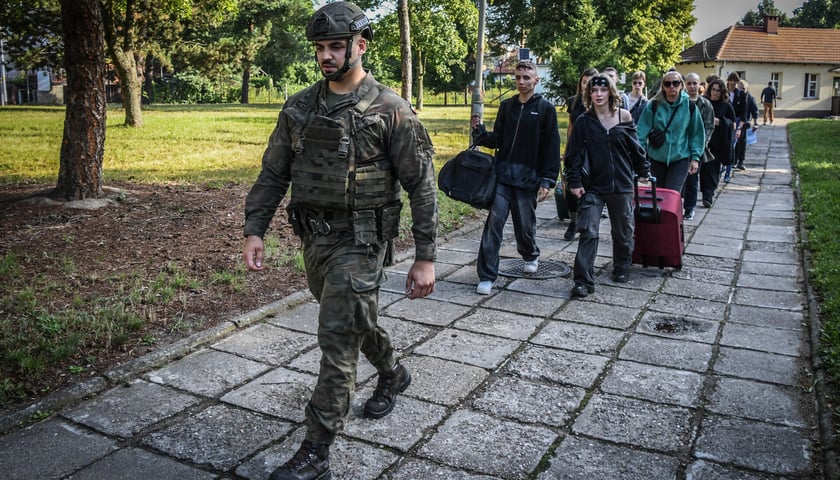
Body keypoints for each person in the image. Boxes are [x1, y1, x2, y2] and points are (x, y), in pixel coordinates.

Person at [242, 3, 438, 479]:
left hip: (363, 240)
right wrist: (255, 228)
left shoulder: (392, 111)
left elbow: (422, 185)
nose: (326, 56)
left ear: (360, 46)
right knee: (353, 319)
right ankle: (393, 373)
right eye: (320, 48)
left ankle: (316, 451)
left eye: (335, 46)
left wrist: (426, 257)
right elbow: (273, 173)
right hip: (316, 239)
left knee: (336, 338)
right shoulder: (299, 107)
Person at [471, 59, 561, 295]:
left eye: (526, 78)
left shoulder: (546, 110)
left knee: (524, 225)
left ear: (536, 80)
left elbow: (552, 148)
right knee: (494, 226)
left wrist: (547, 180)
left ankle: (530, 254)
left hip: (528, 179)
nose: (521, 82)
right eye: (518, 78)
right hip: (502, 177)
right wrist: (480, 133)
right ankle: (487, 276)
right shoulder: (507, 106)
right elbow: (498, 140)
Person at [565, 73, 651, 297]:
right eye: (594, 90)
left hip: (621, 183)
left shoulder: (624, 117)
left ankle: (621, 266)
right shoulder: (584, 121)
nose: (599, 94)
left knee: (623, 231)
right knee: (588, 231)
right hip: (592, 186)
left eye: (603, 90)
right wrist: (574, 181)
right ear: (589, 94)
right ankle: (583, 280)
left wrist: (644, 171)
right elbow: (572, 155)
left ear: (611, 92)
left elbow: (636, 148)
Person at [636, 70, 705, 192]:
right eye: (668, 84)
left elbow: (696, 133)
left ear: (681, 85)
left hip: (680, 158)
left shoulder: (690, 106)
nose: (672, 86)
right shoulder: (653, 105)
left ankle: (676, 211)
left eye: (675, 83)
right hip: (656, 158)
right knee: (657, 195)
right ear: (663, 86)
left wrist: (695, 158)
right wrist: (641, 157)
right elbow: (640, 132)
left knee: (672, 194)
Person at [562, 67, 598, 241]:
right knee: (570, 189)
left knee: (589, 187)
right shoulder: (573, 102)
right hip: (575, 150)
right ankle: (573, 221)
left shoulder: (599, 102)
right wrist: (567, 150)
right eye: (584, 82)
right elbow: (570, 127)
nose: (587, 86)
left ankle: (587, 222)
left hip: (593, 151)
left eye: (590, 83)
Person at [683, 72, 715, 220]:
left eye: (694, 83)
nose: (692, 86)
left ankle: (689, 208)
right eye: (689, 83)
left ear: (700, 85)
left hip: (697, 147)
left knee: (692, 179)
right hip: (680, 146)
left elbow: (709, 127)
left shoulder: (705, 104)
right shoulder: (680, 102)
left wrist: (702, 144)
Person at [700, 78, 736, 208]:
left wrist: (721, 122)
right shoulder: (704, 102)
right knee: (704, 170)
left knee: (713, 169)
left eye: (718, 91)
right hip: (703, 141)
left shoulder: (726, 106)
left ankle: (708, 194)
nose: (715, 93)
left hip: (718, 143)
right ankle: (705, 192)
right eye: (713, 90)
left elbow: (732, 123)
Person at [726, 72, 748, 178]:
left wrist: (740, 127)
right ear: (728, 81)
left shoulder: (741, 94)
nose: (733, 83)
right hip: (725, 122)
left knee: (732, 146)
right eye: (731, 80)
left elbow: (744, 111)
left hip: (737, 121)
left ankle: (728, 170)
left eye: (735, 81)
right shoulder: (723, 93)